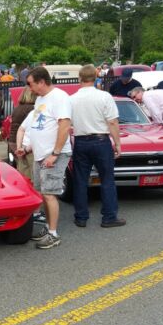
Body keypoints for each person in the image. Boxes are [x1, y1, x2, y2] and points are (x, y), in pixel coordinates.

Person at [15, 67, 72, 249]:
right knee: (43, 193)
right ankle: (48, 227)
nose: (29, 88)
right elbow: (37, 127)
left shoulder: (60, 97)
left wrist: (55, 154)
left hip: (53, 154)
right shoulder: (40, 99)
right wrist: (28, 147)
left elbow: (64, 126)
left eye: (31, 84)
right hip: (41, 155)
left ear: (41, 82)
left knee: (49, 194)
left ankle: (53, 234)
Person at [70, 65, 126, 228]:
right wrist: (117, 143)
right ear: (96, 78)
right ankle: (109, 217)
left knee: (80, 180)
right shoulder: (104, 96)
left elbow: (68, 122)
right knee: (107, 179)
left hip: (80, 140)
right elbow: (113, 122)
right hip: (101, 141)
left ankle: (81, 217)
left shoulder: (71, 99)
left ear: (79, 78)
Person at [11, 87, 45, 224]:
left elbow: (19, 129)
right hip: (29, 148)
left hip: (17, 145)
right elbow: (35, 132)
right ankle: (35, 212)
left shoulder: (18, 108)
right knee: (36, 181)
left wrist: (17, 147)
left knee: (24, 180)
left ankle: (24, 209)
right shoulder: (33, 110)